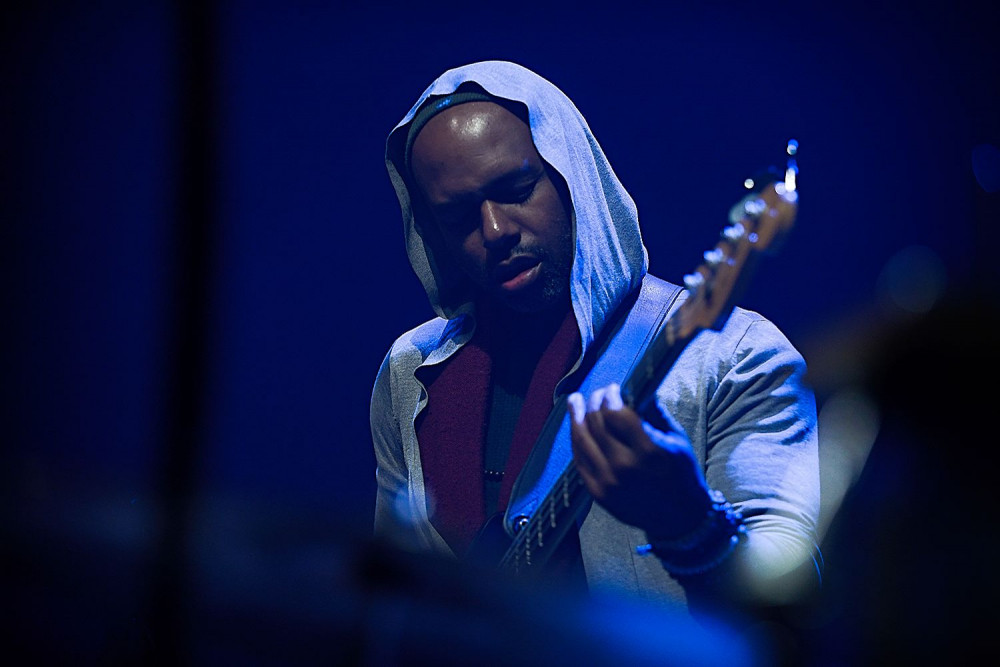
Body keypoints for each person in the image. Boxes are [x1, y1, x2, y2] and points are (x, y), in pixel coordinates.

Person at [370, 60, 821, 621]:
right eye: (458, 216)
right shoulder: (410, 375)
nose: (495, 231)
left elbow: (790, 597)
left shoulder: (737, 357)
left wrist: (693, 523)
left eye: (515, 190)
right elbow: (390, 603)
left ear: (573, 176)